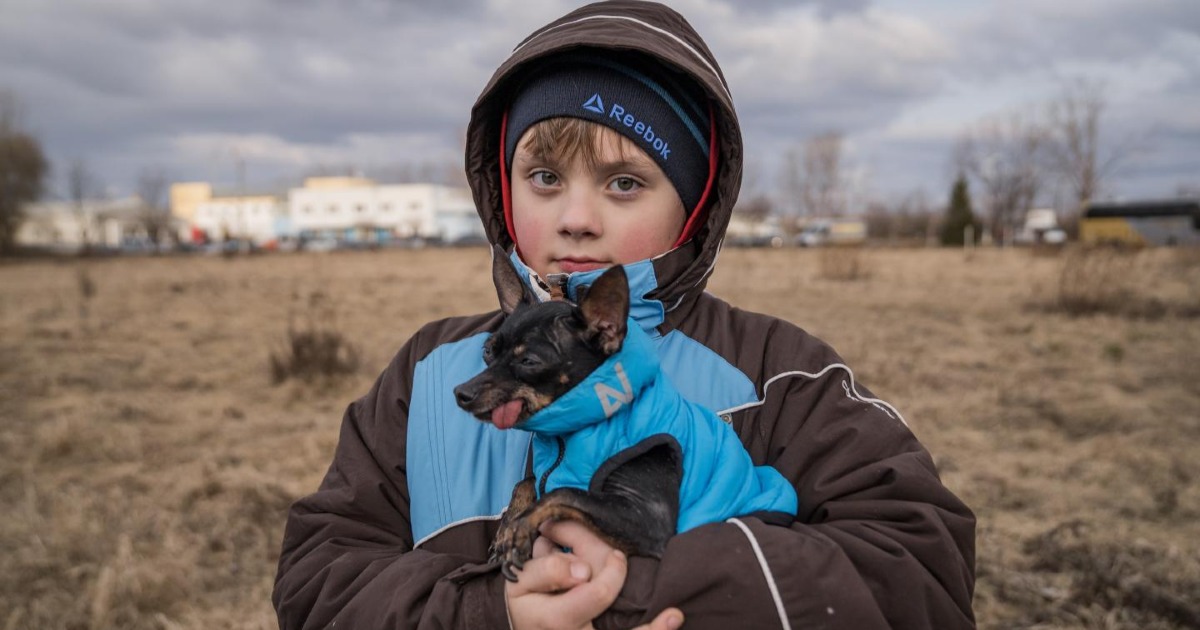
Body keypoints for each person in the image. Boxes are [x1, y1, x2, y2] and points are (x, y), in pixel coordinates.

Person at [272, 2, 976, 629]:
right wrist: (491, 612)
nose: (577, 219)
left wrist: (639, 591)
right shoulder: (428, 374)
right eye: (545, 178)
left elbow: (921, 571)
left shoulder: (781, 375)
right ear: (504, 188)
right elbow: (316, 581)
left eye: (626, 182)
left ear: (694, 209)